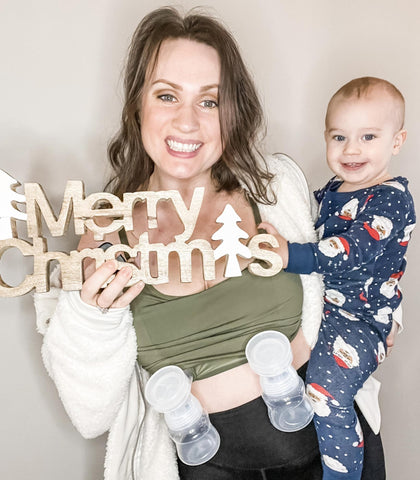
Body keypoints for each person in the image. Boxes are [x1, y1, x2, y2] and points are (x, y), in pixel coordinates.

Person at [34, 9, 387, 480]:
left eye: (209, 101)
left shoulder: (276, 188)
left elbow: (357, 265)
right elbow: (89, 413)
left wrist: (382, 317)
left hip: (332, 451)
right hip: (207, 466)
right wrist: (89, 316)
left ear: (231, 111)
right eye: (166, 95)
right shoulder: (105, 230)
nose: (188, 122)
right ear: (138, 105)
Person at [262, 77, 416, 479]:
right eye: (339, 136)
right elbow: (301, 221)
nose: (351, 149)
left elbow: (349, 251)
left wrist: (288, 255)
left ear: (396, 142)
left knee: (325, 394)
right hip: (329, 312)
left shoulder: (391, 199)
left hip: (362, 322)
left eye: (368, 136)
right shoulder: (335, 189)